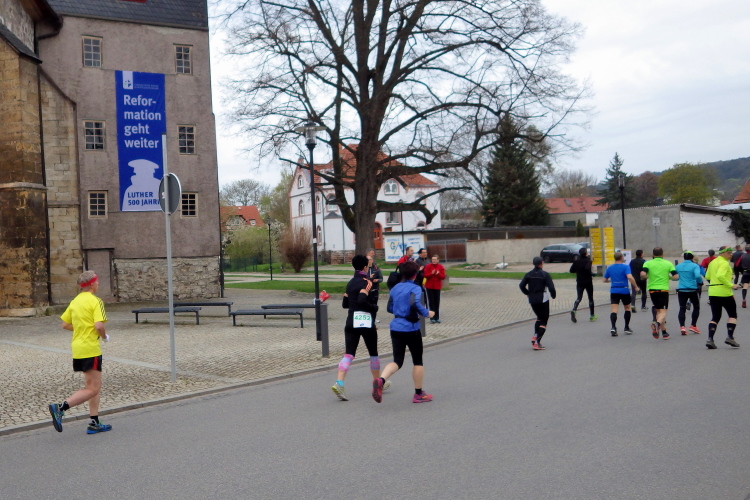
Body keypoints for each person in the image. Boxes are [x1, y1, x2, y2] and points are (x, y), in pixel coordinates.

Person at [48, 271, 112, 435]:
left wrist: (82, 328)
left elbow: (65, 324)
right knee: (93, 388)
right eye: (97, 282)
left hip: (78, 348)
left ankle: (94, 421)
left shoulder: (75, 301)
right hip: (91, 348)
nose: (98, 284)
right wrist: (104, 336)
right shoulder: (96, 301)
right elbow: (99, 326)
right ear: (92, 284)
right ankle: (61, 408)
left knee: (92, 386)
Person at [372, 261, 435, 404]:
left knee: (397, 361)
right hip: (411, 328)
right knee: (417, 361)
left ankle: (381, 380)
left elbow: (390, 307)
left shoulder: (395, 288)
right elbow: (415, 303)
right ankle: (418, 394)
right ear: (415, 274)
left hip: (396, 327)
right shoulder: (415, 288)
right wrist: (427, 313)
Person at [332, 255, 383, 401]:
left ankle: (339, 383)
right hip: (365, 321)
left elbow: (345, 304)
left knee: (349, 354)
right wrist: (374, 307)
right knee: (373, 353)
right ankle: (377, 383)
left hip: (351, 321)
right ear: (365, 267)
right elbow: (362, 300)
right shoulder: (366, 282)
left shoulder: (350, 283)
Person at [705, 245, 741, 349]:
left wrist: (714, 281)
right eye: (729, 253)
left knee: (715, 317)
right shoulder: (724, 263)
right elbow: (720, 275)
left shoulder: (712, 262)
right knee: (732, 315)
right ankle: (730, 337)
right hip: (725, 293)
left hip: (713, 292)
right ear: (722, 253)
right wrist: (731, 285)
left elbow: (707, 276)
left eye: (731, 253)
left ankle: (710, 339)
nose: (731, 255)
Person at [519, 256, 557, 350]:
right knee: (544, 320)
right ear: (542, 263)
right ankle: (537, 342)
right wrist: (553, 295)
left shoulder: (528, 274)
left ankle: (535, 336)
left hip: (532, 299)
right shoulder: (545, 274)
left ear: (533, 264)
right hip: (542, 299)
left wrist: (527, 293)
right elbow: (551, 288)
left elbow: (521, 285)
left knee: (539, 318)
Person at [640, 247, 678, 340]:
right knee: (663, 312)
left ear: (653, 255)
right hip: (663, 289)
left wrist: (647, 276)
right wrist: (669, 277)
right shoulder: (668, 263)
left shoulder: (648, 263)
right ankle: (656, 324)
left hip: (652, 289)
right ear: (662, 254)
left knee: (659, 311)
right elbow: (676, 276)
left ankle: (664, 332)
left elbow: (643, 274)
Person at [603, 251, 638, 336]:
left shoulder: (610, 268)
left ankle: (613, 327)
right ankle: (626, 327)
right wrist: (635, 286)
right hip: (624, 290)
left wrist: (611, 281)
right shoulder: (625, 267)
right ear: (622, 258)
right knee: (627, 308)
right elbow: (629, 277)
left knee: (614, 310)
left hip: (614, 290)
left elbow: (604, 279)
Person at [675, 250, 703, 335]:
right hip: (692, 289)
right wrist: (700, 282)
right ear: (692, 257)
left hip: (681, 289)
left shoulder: (678, 266)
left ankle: (682, 327)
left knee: (682, 308)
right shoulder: (695, 266)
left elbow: (676, 277)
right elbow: (697, 276)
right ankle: (693, 325)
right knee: (696, 307)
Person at [569, 247, 597, 323]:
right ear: (586, 253)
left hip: (579, 281)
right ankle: (592, 315)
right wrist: (592, 274)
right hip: (588, 281)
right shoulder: (588, 260)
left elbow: (571, 270)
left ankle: (574, 310)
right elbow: (587, 269)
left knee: (579, 297)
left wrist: (578, 271)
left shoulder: (576, 261)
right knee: (590, 298)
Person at [424, 254, 446, 323]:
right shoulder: (428, 266)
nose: (434, 261)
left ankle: (437, 317)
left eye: (435, 259)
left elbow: (443, 276)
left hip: (437, 287)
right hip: (429, 287)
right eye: (433, 259)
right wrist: (431, 273)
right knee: (431, 302)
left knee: (437, 302)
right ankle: (432, 317)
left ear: (438, 260)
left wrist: (438, 274)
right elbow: (425, 275)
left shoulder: (440, 267)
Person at [365, 250, 383, 321]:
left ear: (372, 261)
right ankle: (367, 319)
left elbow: (381, 279)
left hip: (374, 290)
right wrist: (369, 278)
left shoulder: (376, 269)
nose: (368, 261)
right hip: (366, 290)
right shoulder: (364, 269)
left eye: (369, 260)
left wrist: (377, 280)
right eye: (367, 260)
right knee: (366, 305)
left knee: (374, 305)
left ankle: (373, 320)